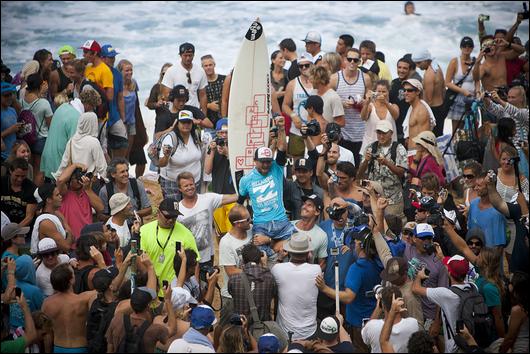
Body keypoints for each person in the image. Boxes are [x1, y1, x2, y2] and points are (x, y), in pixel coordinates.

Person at [316, 225, 383, 352]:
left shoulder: (357, 268)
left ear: (361, 246)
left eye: (356, 242)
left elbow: (348, 297)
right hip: (375, 318)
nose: (353, 245)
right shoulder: (379, 263)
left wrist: (324, 288)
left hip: (359, 325)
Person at [238, 116, 293, 257]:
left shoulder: (276, 168)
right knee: (261, 255)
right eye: (262, 161)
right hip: (261, 224)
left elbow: (281, 149)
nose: (266, 165)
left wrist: (281, 128)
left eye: (268, 161)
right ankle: (277, 257)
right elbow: (240, 201)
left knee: (302, 244)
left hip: (281, 221)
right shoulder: (246, 180)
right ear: (255, 161)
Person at [412, 254, 473, 353]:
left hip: (455, 347)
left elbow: (415, 288)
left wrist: (419, 276)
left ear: (449, 272)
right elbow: (455, 270)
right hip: (471, 342)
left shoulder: (445, 294)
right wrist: (442, 257)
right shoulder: (472, 287)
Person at [140, 198, 200, 296]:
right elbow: (140, 260)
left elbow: (195, 263)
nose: (171, 220)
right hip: (151, 291)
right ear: (158, 212)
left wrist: (196, 290)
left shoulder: (186, 234)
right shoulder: (144, 231)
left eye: (175, 216)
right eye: (168, 216)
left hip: (175, 293)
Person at [177, 172, 238, 266]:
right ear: (180, 189)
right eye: (186, 186)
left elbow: (232, 198)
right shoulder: (177, 208)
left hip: (207, 256)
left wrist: (246, 190)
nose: (189, 187)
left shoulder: (207, 199)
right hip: (188, 258)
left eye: (191, 184)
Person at [41, 88, 101, 181]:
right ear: (88, 105)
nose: (93, 111)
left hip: (48, 158)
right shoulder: (77, 118)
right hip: (59, 162)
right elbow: (74, 148)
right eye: (93, 107)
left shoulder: (63, 107)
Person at [403, 223, 448, 339]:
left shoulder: (438, 262)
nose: (426, 242)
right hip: (410, 311)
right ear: (414, 238)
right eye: (422, 238)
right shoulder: (408, 249)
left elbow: (443, 295)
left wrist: (437, 322)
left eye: (429, 238)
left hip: (429, 316)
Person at [272, 232, 320, 340]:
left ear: (289, 251)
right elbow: (310, 266)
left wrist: (279, 258)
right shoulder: (316, 269)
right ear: (308, 252)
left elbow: (275, 268)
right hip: (309, 331)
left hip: (285, 332)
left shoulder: (278, 269)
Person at [357, 120, 408, 219]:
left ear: (391, 133)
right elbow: (359, 175)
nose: (381, 136)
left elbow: (401, 173)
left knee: (393, 227)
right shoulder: (370, 148)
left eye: (384, 133)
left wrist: (387, 163)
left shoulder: (399, 148)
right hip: (374, 197)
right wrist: (366, 161)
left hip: (393, 199)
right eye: (379, 133)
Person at [330, 48, 372, 166]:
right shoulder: (335, 78)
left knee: (358, 167)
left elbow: (370, 102)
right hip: (341, 132)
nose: (352, 62)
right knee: (341, 167)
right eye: (349, 59)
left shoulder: (365, 78)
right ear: (345, 60)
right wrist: (341, 104)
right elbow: (326, 101)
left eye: (355, 60)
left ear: (359, 62)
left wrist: (363, 103)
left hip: (360, 131)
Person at [105, 286, 170, 353]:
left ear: (130, 303)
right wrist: (168, 300)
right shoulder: (155, 330)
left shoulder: (117, 320)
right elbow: (172, 330)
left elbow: (110, 346)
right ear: (148, 305)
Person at [158, 110, 204, 200]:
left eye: (188, 122)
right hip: (172, 184)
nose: (186, 125)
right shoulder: (170, 138)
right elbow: (161, 164)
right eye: (183, 122)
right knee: (174, 211)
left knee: (192, 210)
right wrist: (166, 156)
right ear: (177, 123)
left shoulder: (196, 135)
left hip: (194, 182)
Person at [227, 243, 276, 326]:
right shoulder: (270, 278)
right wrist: (264, 265)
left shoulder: (234, 279)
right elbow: (272, 294)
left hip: (240, 327)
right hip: (262, 328)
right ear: (260, 258)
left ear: (243, 260)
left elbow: (232, 293)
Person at [218, 205, 252, 322]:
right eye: (247, 219)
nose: (251, 220)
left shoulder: (252, 230)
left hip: (251, 293)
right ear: (237, 224)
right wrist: (256, 270)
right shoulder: (226, 242)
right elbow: (231, 271)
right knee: (226, 328)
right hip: (232, 296)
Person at [362, 286, 420, 353]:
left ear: (382, 305)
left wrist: (377, 309)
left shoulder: (371, 326)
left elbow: (364, 336)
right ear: (401, 302)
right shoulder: (413, 324)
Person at [20, 73, 53, 186]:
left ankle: (28, 193)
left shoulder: (22, 101)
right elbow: (50, 124)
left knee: (29, 168)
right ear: (40, 86)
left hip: (26, 140)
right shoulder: (44, 103)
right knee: (39, 171)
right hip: (41, 139)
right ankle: (35, 198)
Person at [53, 112, 107, 180]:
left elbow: (64, 163)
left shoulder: (72, 141)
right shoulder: (94, 142)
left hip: (74, 182)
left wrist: (58, 176)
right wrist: (105, 180)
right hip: (88, 182)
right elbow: (102, 167)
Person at [117, 58, 148, 176]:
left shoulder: (134, 83)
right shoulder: (117, 85)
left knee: (128, 154)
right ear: (120, 71)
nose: (130, 73)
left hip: (132, 122)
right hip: (121, 123)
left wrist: (142, 127)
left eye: (131, 70)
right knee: (121, 153)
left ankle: (128, 178)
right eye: (126, 70)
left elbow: (137, 106)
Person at [56, 163, 104, 241]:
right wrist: (75, 165)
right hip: (70, 240)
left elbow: (101, 208)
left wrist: (87, 189)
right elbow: (61, 180)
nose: (80, 180)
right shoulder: (63, 193)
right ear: (69, 180)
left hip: (87, 241)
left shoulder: (87, 192)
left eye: (82, 176)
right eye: (76, 178)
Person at [282, 53, 316, 159]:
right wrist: (293, 115)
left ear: (312, 65)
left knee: (315, 161)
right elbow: (285, 105)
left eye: (307, 65)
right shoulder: (292, 84)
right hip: (297, 130)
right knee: (297, 164)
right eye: (301, 66)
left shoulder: (319, 82)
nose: (304, 68)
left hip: (315, 130)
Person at [445, 37, 480, 133]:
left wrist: (478, 91)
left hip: (472, 99)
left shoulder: (475, 61)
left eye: (469, 46)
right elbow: (447, 82)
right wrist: (463, 91)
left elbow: (477, 80)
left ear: (472, 48)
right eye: (464, 46)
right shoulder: (454, 61)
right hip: (458, 98)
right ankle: (456, 147)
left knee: (471, 128)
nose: (467, 48)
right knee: (457, 130)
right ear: (461, 47)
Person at [161, 42, 207, 115]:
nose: (188, 58)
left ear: (194, 55)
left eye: (190, 55)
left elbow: (203, 95)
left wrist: (204, 115)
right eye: (185, 55)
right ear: (180, 55)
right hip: (176, 112)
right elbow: (166, 95)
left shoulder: (200, 71)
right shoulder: (171, 71)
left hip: (194, 111)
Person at [467, 171, 507, 250]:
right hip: (475, 254)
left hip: (491, 257)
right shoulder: (473, 204)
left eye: (479, 186)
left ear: (489, 187)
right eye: (475, 185)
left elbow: (499, 245)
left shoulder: (498, 211)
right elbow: (470, 229)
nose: (475, 188)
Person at [30, 183, 74, 254]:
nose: (60, 197)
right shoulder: (46, 222)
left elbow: (73, 239)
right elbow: (66, 246)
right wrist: (67, 229)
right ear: (49, 200)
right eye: (57, 195)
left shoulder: (57, 215)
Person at [411, 49, 445, 136]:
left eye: (419, 63)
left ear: (426, 60)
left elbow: (428, 100)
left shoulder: (429, 75)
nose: (417, 66)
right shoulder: (437, 67)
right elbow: (443, 89)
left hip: (433, 110)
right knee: (438, 137)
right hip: (441, 107)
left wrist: (421, 112)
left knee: (429, 138)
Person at [360, 80, 399, 154]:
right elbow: (363, 117)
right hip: (369, 148)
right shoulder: (370, 107)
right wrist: (367, 103)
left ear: (388, 92)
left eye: (384, 91)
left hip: (389, 150)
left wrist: (386, 102)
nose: (381, 94)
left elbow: (395, 116)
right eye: (379, 91)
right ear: (375, 92)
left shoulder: (393, 106)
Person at [401, 79, 436, 162]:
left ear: (417, 92)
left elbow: (424, 138)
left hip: (418, 155)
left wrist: (416, 160)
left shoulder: (421, 111)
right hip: (412, 152)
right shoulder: (412, 109)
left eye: (409, 90)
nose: (406, 93)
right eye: (404, 90)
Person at [292, 194, 328, 267]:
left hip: (306, 276)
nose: (304, 207)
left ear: (317, 212)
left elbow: (322, 263)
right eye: (304, 204)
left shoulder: (321, 235)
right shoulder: (289, 226)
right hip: (286, 275)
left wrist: (314, 275)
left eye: (309, 205)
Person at [1, 158, 38, 227]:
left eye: (23, 176)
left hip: (21, 226)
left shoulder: (32, 189)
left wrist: (15, 230)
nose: (19, 179)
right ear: (10, 171)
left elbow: (29, 217)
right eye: (17, 176)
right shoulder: (2, 182)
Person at [499, 271, 529, 353]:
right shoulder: (524, 305)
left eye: (510, 282)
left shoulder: (518, 310)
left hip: (520, 348)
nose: (508, 284)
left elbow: (510, 338)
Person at [389, 56, 415, 144]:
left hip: (407, 127)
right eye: (399, 67)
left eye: (405, 68)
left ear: (410, 70)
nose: (401, 70)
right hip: (393, 125)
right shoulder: (393, 83)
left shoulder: (413, 85)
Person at [201, 54, 225, 128]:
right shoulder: (200, 83)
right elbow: (196, 102)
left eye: (210, 65)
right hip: (208, 121)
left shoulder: (224, 79)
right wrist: (208, 105)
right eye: (206, 66)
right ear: (202, 67)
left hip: (224, 120)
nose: (208, 67)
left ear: (214, 65)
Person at [1, 82, 22, 163]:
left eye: (10, 94)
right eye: (6, 95)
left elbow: (14, 132)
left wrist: (20, 130)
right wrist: (10, 130)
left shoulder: (12, 110)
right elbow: (11, 130)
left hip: (14, 154)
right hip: (3, 157)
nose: (9, 97)